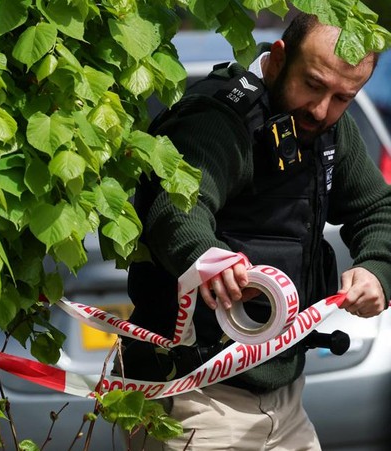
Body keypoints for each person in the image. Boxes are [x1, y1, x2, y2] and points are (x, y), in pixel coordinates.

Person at [120, 13, 391, 451]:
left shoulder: (328, 128)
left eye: (344, 96)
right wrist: (208, 258)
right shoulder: (216, 119)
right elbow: (177, 209)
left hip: (286, 403)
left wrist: (378, 268)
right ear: (279, 57)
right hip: (194, 401)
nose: (322, 110)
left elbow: (379, 209)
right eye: (314, 84)